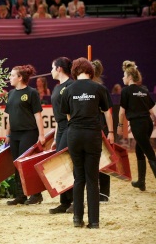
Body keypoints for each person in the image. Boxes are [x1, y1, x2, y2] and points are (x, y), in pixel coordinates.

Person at [60, 57, 114, 229]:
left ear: (75, 71)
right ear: (90, 71)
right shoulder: (99, 88)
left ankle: (77, 218)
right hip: (92, 135)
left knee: (78, 177)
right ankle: (94, 221)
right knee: (92, 178)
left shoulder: (68, 89)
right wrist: (111, 132)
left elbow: (66, 115)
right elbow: (106, 111)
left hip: (74, 134)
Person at [5, 65, 46, 205]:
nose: (10, 78)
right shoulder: (11, 94)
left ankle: (36, 194)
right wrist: (7, 134)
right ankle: (20, 195)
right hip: (15, 134)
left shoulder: (31, 93)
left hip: (29, 132)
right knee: (16, 163)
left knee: (26, 163)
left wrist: (41, 134)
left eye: (12, 75)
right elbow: (9, 116)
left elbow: (38, 115)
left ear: (20, 77)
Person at [118, 60, 156, 191]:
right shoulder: (143, 90)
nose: (123, 78)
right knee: (140, 150)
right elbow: (153, 110)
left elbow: (122, 111)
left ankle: (142, 181)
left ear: (129, 77)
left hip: (137, 124)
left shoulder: (126, 91)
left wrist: (120, 125)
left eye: (124, 75)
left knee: (150, 153)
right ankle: (141, 182)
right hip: (147, 123)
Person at [48, 57, 74, 214]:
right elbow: (57, 116)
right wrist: (56, 137)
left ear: (59, 69)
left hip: (70, 127)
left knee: (68, 165)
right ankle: (64, 201)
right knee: (61, 165)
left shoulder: (71, 85)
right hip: (61, 128)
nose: (50, 70)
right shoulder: (57, 88)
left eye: (52, 67)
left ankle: (74, 202)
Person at [92, 60, 113, 203]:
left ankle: (104, 192)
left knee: (103, 160)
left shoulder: (101, 89)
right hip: (88, 128)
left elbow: (108, 112)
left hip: (100, 128)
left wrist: (111, 131)